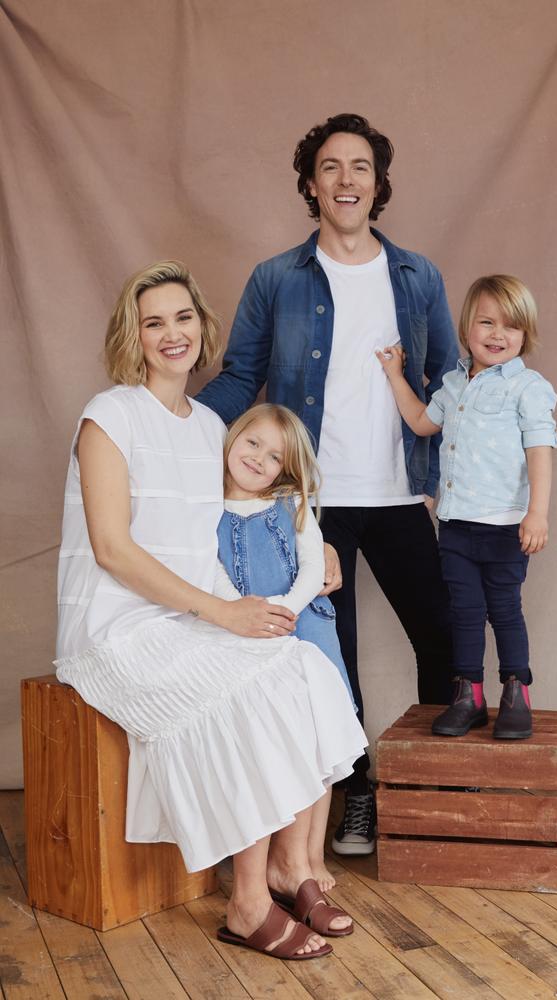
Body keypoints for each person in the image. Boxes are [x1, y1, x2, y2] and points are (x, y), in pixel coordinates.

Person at [54, 260, 367, 961]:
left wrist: (316, 557)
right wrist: (221, 616)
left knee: (303, 670)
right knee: (251, 686)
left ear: (204, 326)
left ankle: (292, 866)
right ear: (132, 335)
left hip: (187, 615)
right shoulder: (109, 414)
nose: (172, 334)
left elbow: (248, 508)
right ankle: (248, 903)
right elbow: (112, 548)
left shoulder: (206, 426)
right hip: (115, 626)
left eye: (183, 318)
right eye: (153, 321)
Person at [197, 113, 459, 854]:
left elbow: (443, 386)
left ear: (379, 185)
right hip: (310, 503)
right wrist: (176, 422)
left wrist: (455, 479)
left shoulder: (417, 276)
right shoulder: (277, 278)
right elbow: (243, 375)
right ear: (310, 185)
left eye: (361, 167)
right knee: (325, 660)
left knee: (441, 637)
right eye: (332, 168)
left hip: (402, 493)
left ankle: (434, 789)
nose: (347, 180)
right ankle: (358, 794)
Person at [377, 275, 557, 739]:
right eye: (487, 322)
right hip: (456, 524)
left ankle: (517, 691)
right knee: (463, 612)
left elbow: (540, 448)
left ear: (525, 335)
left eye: (511, 327)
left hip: (504, 526)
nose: (498, 334)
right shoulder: (453, 384)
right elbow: (420, 422)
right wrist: (396, 376)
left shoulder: (528, 388)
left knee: (504, 609)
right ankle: (469, 695)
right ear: (466, 329)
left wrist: (537, 512)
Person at [213, 401, 355, 890]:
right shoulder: (206, 506)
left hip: (304, 622)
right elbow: (206, 570)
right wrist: (240, 610)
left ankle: (311, 857)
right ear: (232, 438)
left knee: (323, 732)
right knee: (281, 737)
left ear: (286, 468)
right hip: (245, 627)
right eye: (252, 442)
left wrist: (287, 609)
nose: (258, 459)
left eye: (274, 456)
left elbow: (313, 567)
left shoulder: (290, 502)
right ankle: (282, 859)